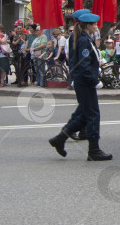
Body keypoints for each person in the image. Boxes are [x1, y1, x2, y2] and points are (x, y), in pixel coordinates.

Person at [48, 11, 112, 161]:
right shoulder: (83, 40)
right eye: (95, 24)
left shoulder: (83, 38)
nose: (97, 26)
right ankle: (93, 150)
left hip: (83, 82)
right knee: (93, 115)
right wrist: (94, 80)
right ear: (88, 25)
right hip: (85, 83)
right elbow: (83, 65)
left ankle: (60, 138)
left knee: (85, 114)